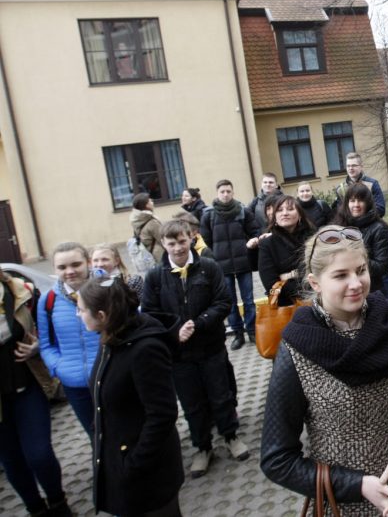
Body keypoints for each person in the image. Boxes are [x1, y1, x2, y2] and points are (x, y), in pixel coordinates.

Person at [261, 225, 388, 517]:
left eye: (361, 270)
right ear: (315, 283)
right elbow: (277, 459)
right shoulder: (297, 346)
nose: (356, 283)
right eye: (341, 275)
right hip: (341, 504)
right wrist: (358, 485)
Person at [142, 220, 248, 478]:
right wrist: (174, 332)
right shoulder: (155, 276)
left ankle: (230, 436)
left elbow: (223, 301)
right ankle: (202, 447)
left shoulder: (208, 267)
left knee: (220, 395)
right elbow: (150, 314)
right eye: (171, 243)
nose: (177, 247)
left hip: (211, 346)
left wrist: (199, 323)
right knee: (192, 403)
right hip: (179, 354)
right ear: (163, 245)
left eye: (181, 241)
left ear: (191, 238)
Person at [79, 275, 184, 516]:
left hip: (149, 476)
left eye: (82, 310)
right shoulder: (110, 339)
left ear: (102, 316)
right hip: (123, 464)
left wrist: (134, 463)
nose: (79, 315)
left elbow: (162, 414)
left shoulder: (145, 349)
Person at [0, 272, 72, 517]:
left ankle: (58, 503)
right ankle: (36, 509)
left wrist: (38, 345)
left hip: (28, 385)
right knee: (11, 460)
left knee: (39, 454)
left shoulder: (22, 290)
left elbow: (49, 327)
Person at [37, 242, 99, 438]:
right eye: (62, 267)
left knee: (125, 432)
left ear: (88, 262)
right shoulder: (48, 300)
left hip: (110, 377)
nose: (70, 272)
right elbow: (46, 344)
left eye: (76, 264)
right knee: (95, 436)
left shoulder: (109, 288)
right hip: (76, 385)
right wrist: (58, 367)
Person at [200, 179, 259, 350]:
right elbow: (207, 238)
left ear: (233, 192)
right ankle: (238, 334)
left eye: (228, 191)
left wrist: (250, 244)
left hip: (243, 263)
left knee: (248, 300)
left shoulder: (243, 211)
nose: (225, 194)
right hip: (222, 266)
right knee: (230, 302)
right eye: (222, 192)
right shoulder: (209, 215)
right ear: (217, 193)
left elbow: (253, 231)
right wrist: (217, 254)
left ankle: (252, 331)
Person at [333, 183, 388, 299]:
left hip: (370, 292)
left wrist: (352, 259)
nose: (356, 205)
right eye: (352, 200)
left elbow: (382, 266)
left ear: (368, 203)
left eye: (360, 201)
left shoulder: (379, 229)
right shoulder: (340, 225)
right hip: (345, 292)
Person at [258, 195, 314, 306]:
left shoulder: (313, 238)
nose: (284, 213)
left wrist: (286, 277)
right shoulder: (267, 244)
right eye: (279, 210)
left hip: (316, 300)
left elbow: (321, 271)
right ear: (275, 217)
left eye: (290, 209)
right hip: (286, 305)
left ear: (300, 215)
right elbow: (270, 285)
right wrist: (302, 292)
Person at [334, 152, 386, 217]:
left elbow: (381, 209)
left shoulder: (372, 184)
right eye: (348, 166)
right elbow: (340, 212)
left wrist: (362, 219)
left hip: (370, 224)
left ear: (361, 167)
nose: (350, 168)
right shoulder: (340, 189)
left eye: (354, 165)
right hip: (350, 225)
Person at [130, 193, 165, 263]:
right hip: (160, 256)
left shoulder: (137, 219)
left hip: (149, 254)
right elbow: (163, 240)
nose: (152, 202)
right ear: (146, 205)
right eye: (150, 201)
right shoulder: (151, 222)